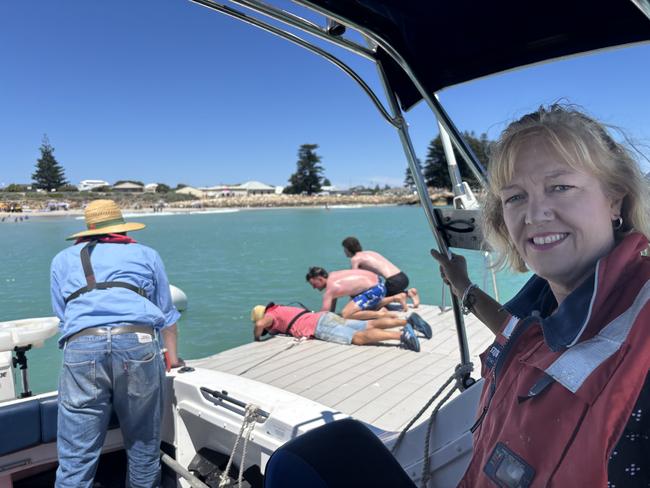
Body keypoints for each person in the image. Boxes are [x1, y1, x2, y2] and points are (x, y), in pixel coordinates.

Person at [431, 105, 650, 487]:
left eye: (560, 187)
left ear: (615, 198)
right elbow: (524, 339)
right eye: (515, 197)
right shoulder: (549, 306)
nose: (534, 214)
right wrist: (464, 288)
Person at [50, 199, 183, 488]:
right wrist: (173, 358)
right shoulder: (146, 254)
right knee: (143, 447)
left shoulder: (62, 259)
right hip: (138, 344)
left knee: (75, 458)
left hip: (82, 346)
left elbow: (63, 315)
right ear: (121, 227)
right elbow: (166, 315)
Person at [251, 303, 432, 351]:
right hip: (324, 316)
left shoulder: (271, 315)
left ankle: (401, 336)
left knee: (358, 337)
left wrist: (257, 338)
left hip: (318, 326)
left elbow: (260, 324)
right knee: (367, 323)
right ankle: (406, 321)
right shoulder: (282, 309)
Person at [342, 236, 420, 310]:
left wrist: (351, 301)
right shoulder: (370, 252)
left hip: (393, 282)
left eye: (344, 249)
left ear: (348, 249)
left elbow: (354, 280)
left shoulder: (355, 259)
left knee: (375, 302)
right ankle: (409, 293)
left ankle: (403, 295)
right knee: (382, 294)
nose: (344, 252)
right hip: (403, 277)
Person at [305, 266, 406, 320]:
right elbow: (332, 304)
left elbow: (323, 313)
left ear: (320, 279)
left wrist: (309, 317)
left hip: (374, 290)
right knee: (359, 307)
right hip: (380, 284)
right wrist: (332, 314)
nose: (314, 288)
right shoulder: (333, 275)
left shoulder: (329, 290)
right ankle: (395, 298)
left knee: (346, 314)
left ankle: (381, 314)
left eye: (313, 284)